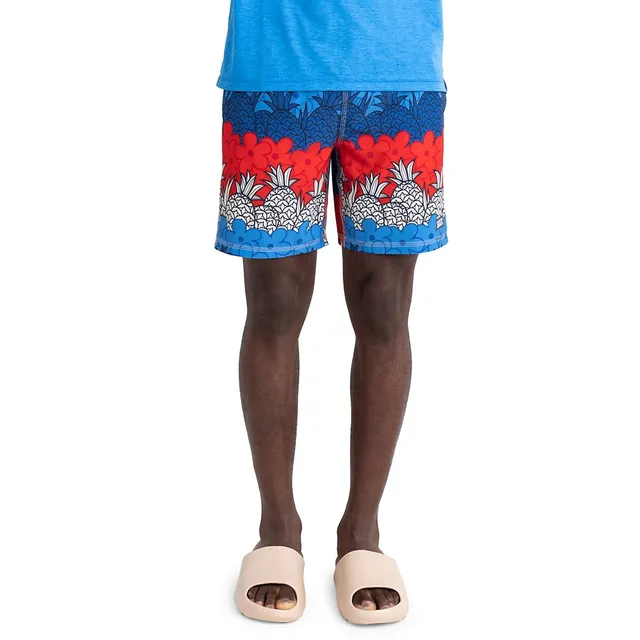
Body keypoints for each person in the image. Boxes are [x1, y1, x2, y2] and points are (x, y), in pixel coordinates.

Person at [216, 0, 447, 625]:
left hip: (397, 71)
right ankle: (277, 528)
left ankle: (362, 534)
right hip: (274, 69)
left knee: (385, 307)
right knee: (273, 301)